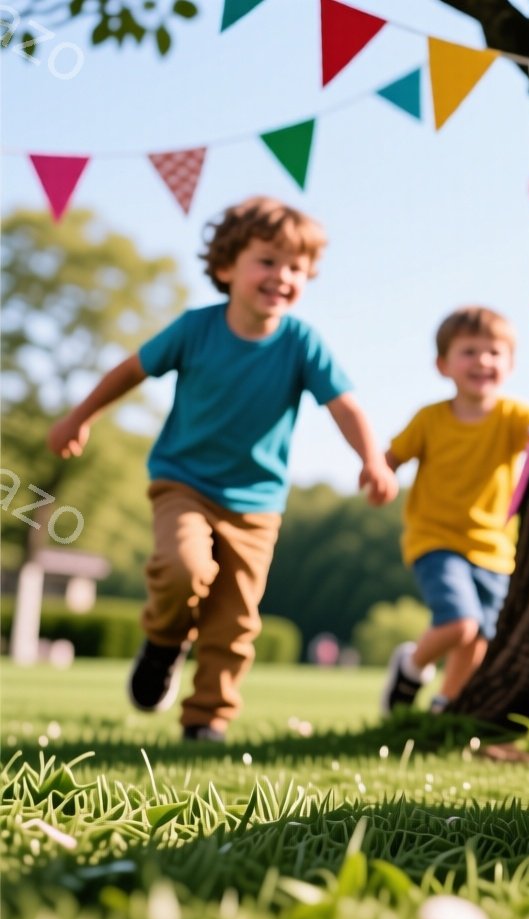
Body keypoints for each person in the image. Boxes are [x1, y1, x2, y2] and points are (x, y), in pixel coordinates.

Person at [48, 195, 397, 742]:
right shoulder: (195, 329)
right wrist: (79, 417)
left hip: (257, 504)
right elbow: (131, 370)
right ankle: (163, 642)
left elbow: (345, 406)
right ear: (227, 266)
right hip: (183, 483)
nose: (282, 276)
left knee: (235, 620)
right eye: (268, 261)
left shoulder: (302, 342)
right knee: (185, 567)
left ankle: (207, 719)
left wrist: (372, 460)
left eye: (297, 268)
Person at [379, 307, 529, 715]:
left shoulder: (513, 416)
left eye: (494, 352)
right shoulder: (430, 419)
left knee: (480, 638)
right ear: (443, 365)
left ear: (511, 363)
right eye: (469, 352)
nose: (483, 361)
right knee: (460, 623)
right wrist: (380, 476)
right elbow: (392, 456)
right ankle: (410, 668)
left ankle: (445, 704)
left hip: (495, 549)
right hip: (436, 539)